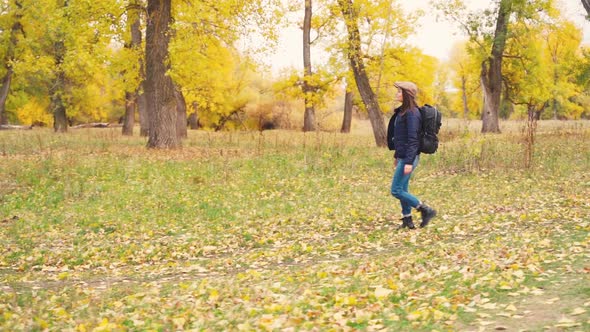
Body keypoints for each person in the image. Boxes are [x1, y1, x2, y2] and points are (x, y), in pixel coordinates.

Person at [387, 81, 436, 229]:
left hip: (410, 157)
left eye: (400, 91)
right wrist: (397, 156)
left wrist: (408, 161)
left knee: (396, 190)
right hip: (404, 156)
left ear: (407, 94)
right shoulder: (402, 112)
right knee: (403, 189)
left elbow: (413, 140)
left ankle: (425, 209)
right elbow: (401, 137)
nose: (397, 94)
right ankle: (407, 220)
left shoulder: (412, 113)